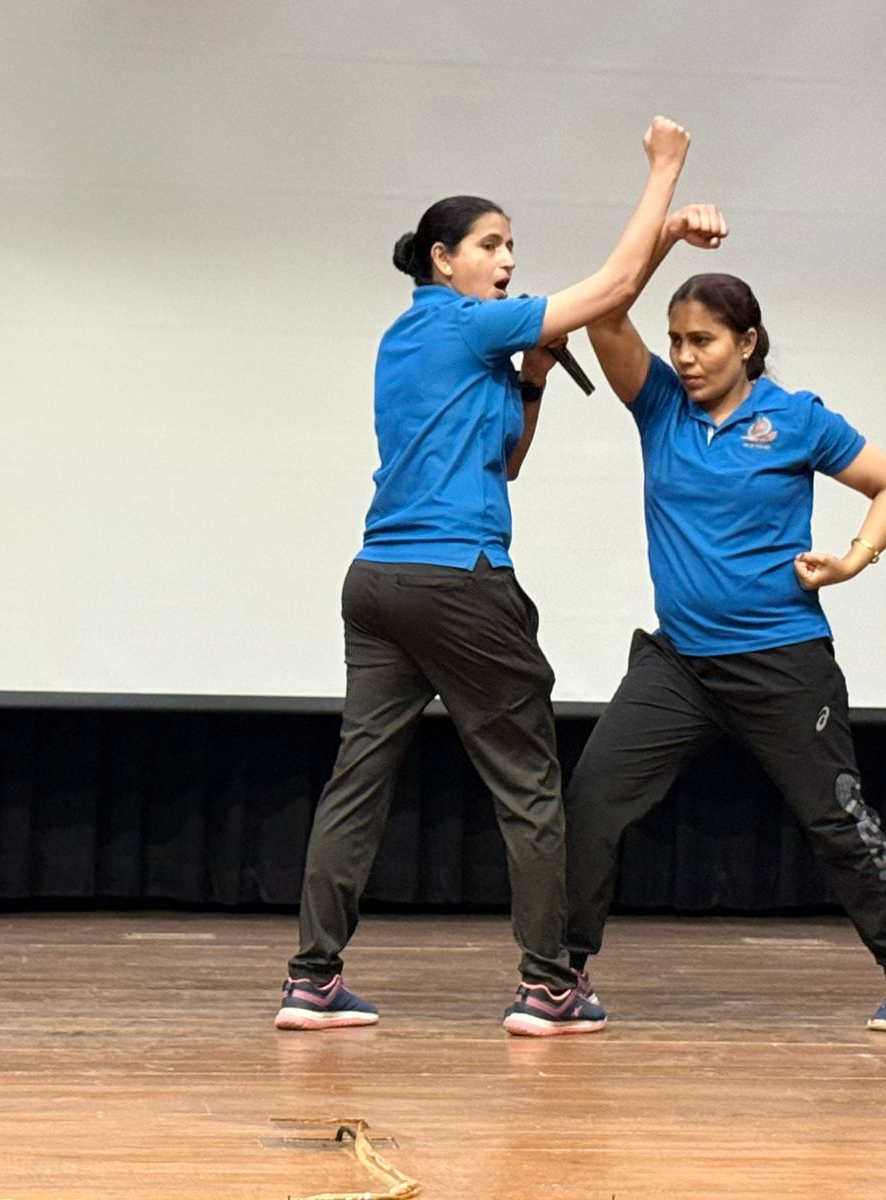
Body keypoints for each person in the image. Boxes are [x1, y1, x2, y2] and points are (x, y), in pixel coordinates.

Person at [275, 117, 693, 1037]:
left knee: (357, 782)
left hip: (378, 582)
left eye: (512, 249)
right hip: (458, 583)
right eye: (491, 245)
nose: (507, 262)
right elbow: (615, 289)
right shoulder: (467, 325)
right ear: (443, 259)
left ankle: (312, 980)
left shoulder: (413, 341)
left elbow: (505, 464)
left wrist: (532, 378)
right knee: (530, 786)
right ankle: (549, 986)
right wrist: (665, 171)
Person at [563, 204, 886, 1031]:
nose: (684, 356)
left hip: (782, 659)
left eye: (702, 341)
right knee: (593, 798)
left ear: (746, 342)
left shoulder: (796, 418)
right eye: (676, 340)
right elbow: (604, 313)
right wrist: (665, 235)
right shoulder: (660, 406)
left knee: (835, 817)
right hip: (679, 665)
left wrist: (853, 559)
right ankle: (562, 976)